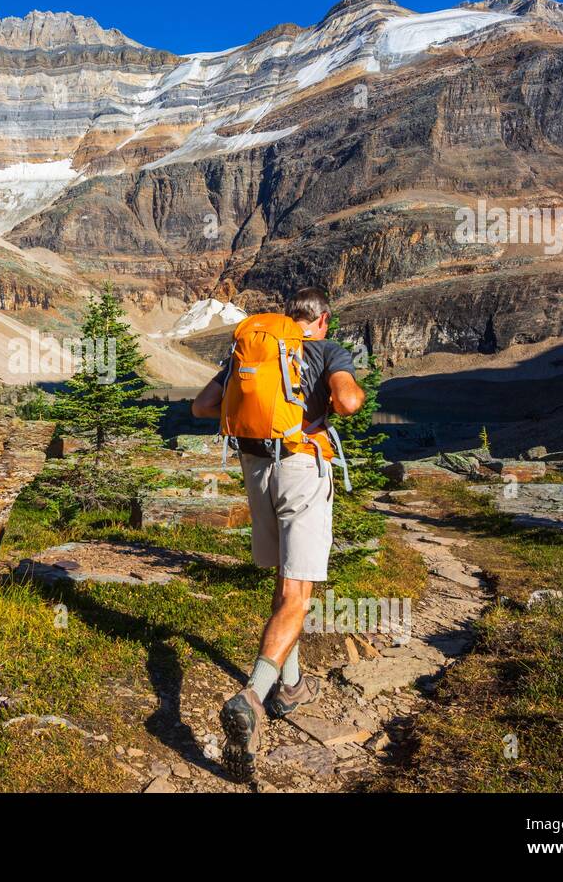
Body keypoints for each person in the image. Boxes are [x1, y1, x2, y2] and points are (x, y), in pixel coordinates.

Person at [190, 286, 365, 782]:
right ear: (323, 319)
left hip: (255, 469)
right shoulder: (325, 350)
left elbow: (203, 407)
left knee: (284, 580)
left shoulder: (255, 346)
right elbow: (348, 401)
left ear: (289, 319)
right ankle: (252, 696)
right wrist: (343, 394)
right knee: (298, 594)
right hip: (302, 468)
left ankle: (290, 687)